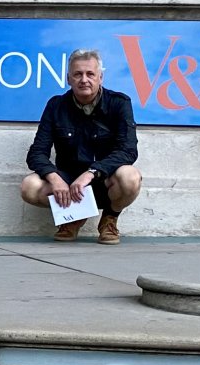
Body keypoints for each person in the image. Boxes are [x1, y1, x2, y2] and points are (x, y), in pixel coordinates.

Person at [20, 48, 142, 245]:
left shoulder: (119, 103)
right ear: (69, 79)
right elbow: (37, 153)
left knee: (130, 177)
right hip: (68, 184)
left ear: (100, 77)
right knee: (30, 187)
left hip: (104, 180)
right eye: (77, 74)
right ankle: (74, 216)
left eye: (90, 74)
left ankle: (109, 219)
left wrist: (92, 172)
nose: (84, 79)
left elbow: (128, 150)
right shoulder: (56, 106)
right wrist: (55, 178)